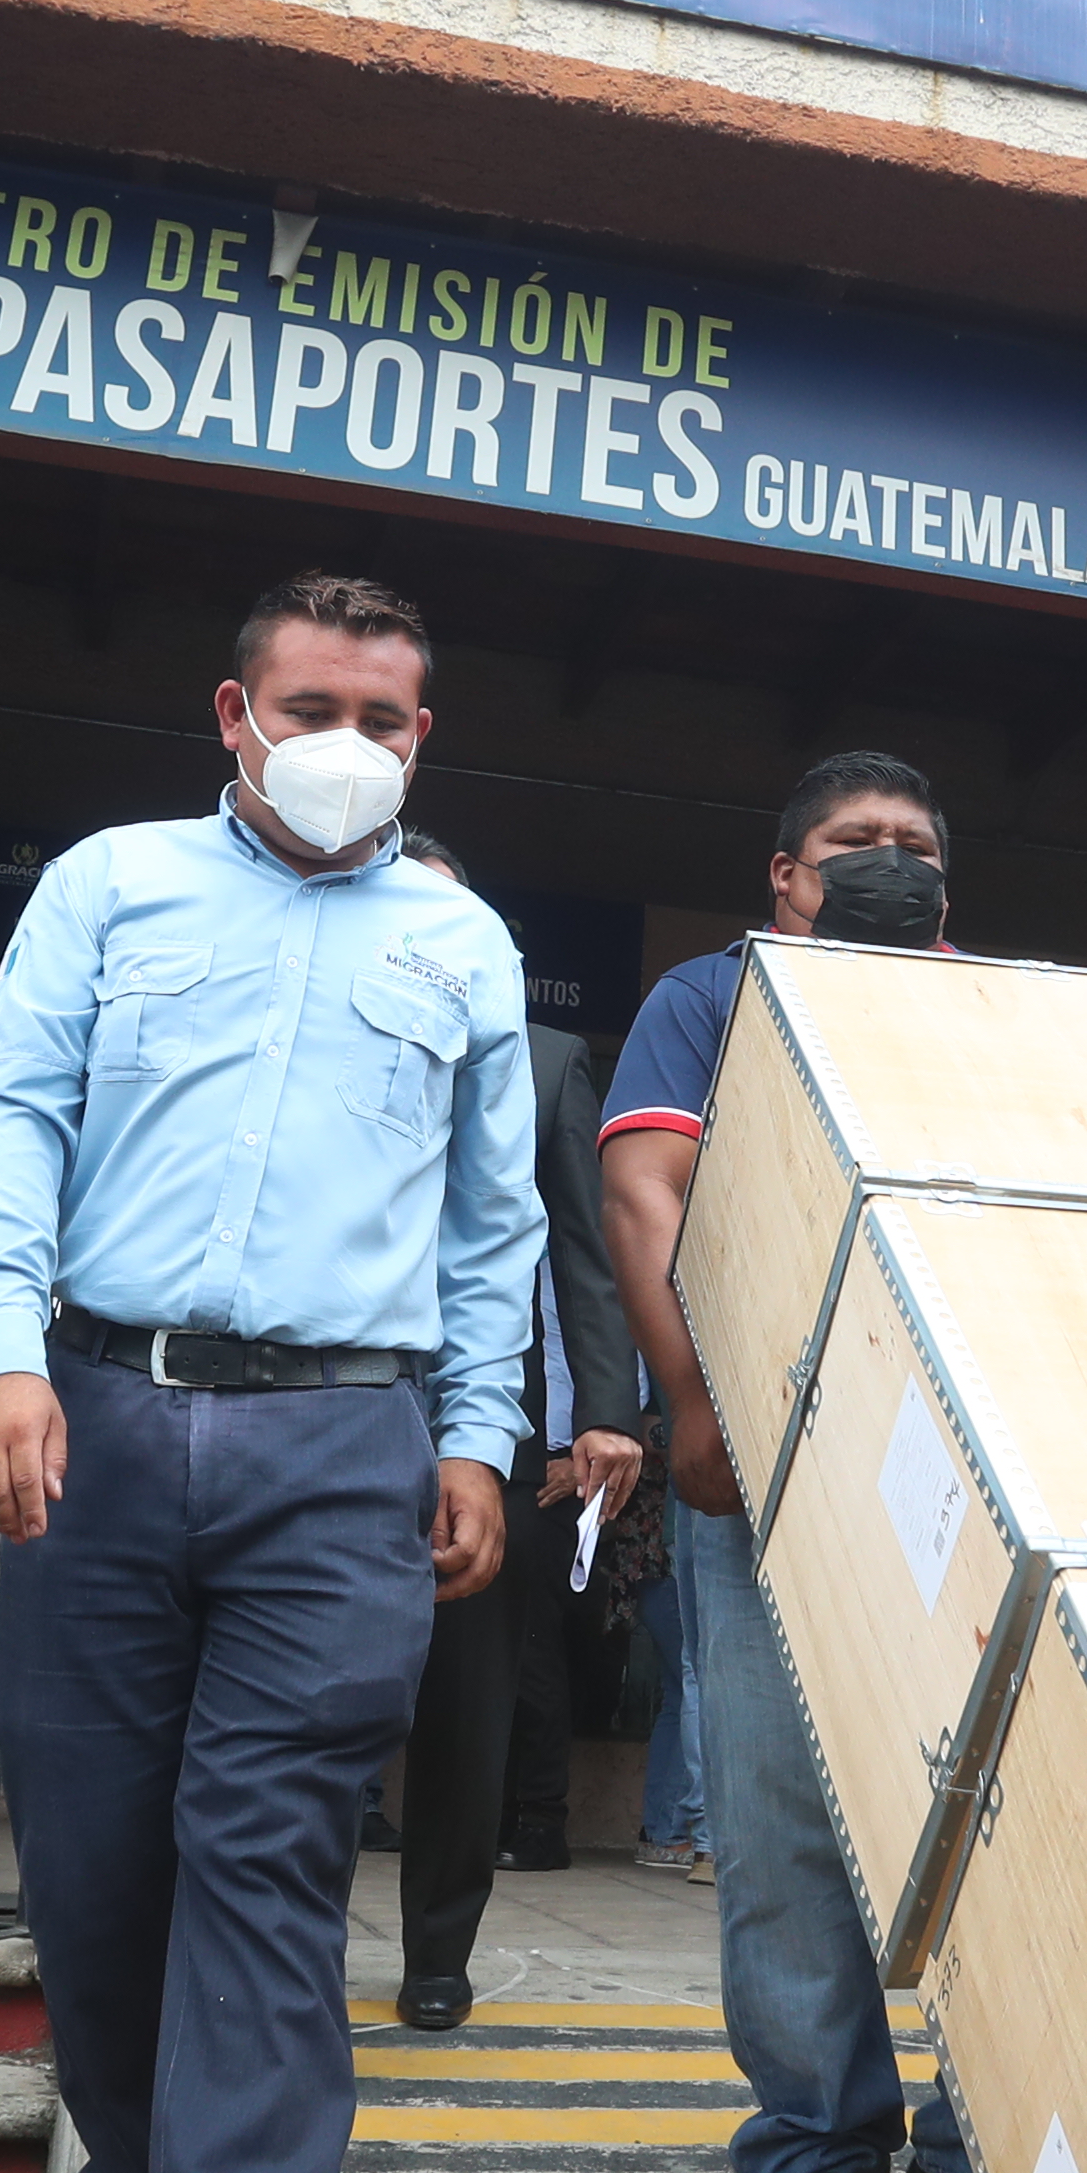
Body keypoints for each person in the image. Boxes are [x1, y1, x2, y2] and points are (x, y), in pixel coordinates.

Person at [0, 571, 532, 2173]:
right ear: (233, 712)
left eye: (385, 715)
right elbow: (13, 1115)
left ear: (423, 735)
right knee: (102, 1863)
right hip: (98, 1420)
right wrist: (1, 1358)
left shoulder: (464, 944)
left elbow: (490, 1223)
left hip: (343, 1448)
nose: (347, 745)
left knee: (269, 1875)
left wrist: (475, 1437)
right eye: (311, 706)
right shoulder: (108, 885)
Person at [598, 750, 1009, 2173]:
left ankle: (983, 2159)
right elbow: (649, 1185)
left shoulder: (1003, 1008)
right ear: (789, 874)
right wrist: (696, 1402)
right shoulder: (716, 1000)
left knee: (1013, 1826)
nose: (889, 864)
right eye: (856, 845)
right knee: (781, 1831)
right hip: (777, 1463)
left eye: (914, 845)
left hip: (985, 1476)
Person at [383, 835, 649, 2029]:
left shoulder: (545, 1065)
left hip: (485, 1423)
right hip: (320, 1402)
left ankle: (440, 1947)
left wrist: (604, 1414)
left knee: (471, 1693)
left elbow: (589, 1256)